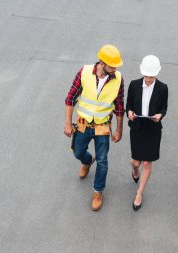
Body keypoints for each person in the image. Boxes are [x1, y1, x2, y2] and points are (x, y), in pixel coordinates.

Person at [64, 44, 124, 211]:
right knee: (77, 152)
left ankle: (98, 191)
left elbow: (119, 106)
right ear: (102, 63)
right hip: (83, 124)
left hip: (102, 126)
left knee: (103, 161)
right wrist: (68, 123)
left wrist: (119, 129)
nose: (115, 69)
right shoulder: (84, 72)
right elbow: (70, 99)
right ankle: (87, 161)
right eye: (112, 66)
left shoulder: (118, 78)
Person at [126, 55, 168, 210]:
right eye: (147, 76)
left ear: (156, 74)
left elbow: (164, 107)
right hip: (137, 127)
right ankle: (134, 169)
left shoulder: (163, 88)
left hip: (153, 129)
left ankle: (139, 193)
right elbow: (128, 104)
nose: (149, 79)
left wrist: (160, 115)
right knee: (136, 162)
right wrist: (129, 113)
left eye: (152, 76)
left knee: (147, 162)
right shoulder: (134, 85)